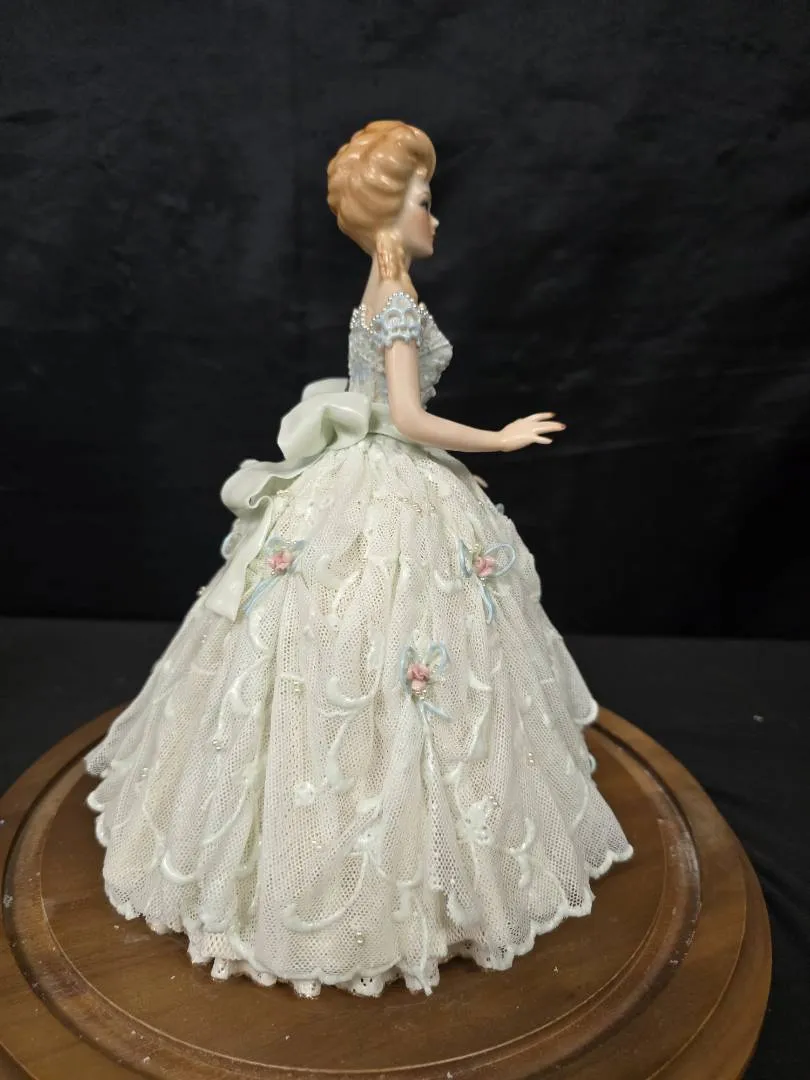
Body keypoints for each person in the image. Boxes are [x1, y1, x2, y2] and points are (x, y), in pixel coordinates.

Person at [85, 119, 633, 999]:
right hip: (386, 474)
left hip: (372, 470)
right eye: (424, 201)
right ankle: (347, 874)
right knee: (376, 635)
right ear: (391, 213)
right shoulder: (398, 299)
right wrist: (500, 437)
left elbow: (376, 399)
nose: (434, 218)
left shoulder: (381, 288)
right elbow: (408, 418)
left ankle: (400, 851)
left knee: (390, 641)